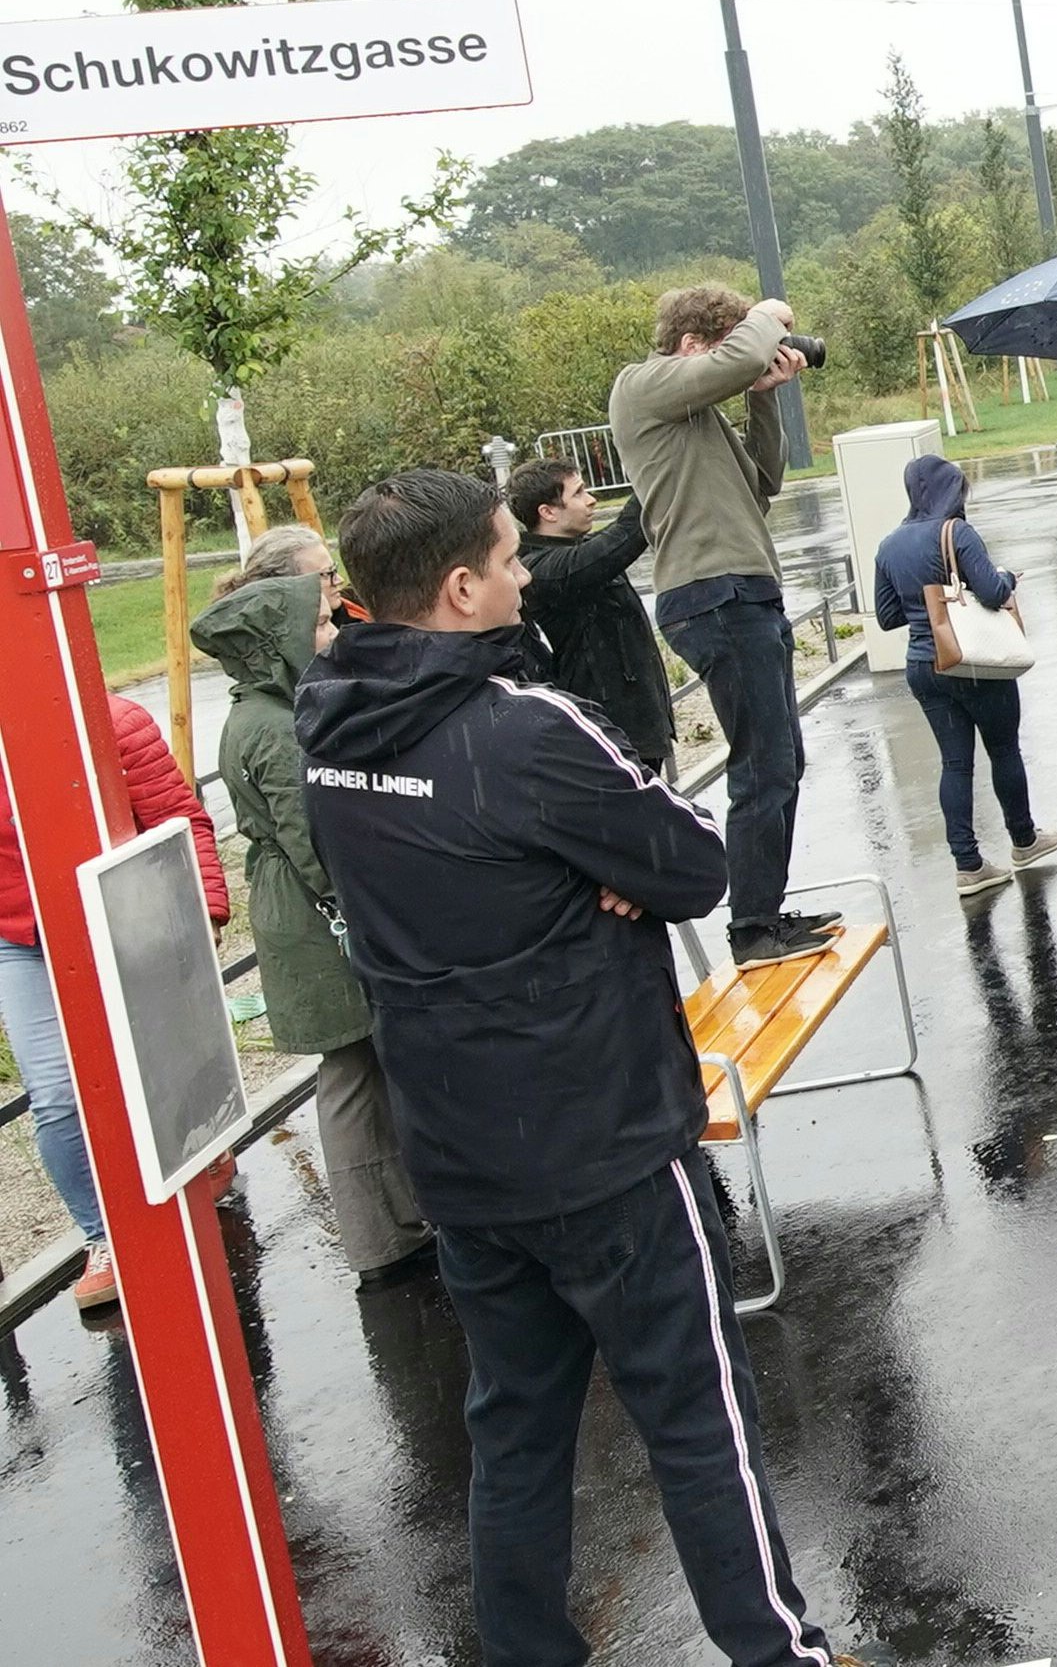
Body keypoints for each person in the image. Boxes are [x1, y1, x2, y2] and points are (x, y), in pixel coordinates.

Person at [294, 468, 834, 1667]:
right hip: (606, 1140)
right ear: (459, 587)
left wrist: (582, 874)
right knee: (700, 1421)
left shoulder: (325, 729)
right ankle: (775, 1652)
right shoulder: (527, 728)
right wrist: (608, 886)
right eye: (509, 555)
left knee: (518, 1433)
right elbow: (695, 864)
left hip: (461, 1150)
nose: (528, 573)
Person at [194, 553, 437, 1285]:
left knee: (365, 1066)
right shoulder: (271, 724)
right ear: (281, 642)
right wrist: (364, 908)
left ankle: (398, 1220)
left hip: (308, 909)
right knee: (352, 1073)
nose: (335, 631)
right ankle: (378, 1241)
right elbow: (311, 838)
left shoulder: (272, 707)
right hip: (313, 917)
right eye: (323, 623)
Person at [606, 285, 834, 969]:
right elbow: (724, 365)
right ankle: (753, 929)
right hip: (712, 594)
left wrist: (764, 393)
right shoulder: (642, 387)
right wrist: (764, 322)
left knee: (782, 759)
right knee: (763, 764)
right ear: (693, 346)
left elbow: (764, 480)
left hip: (745, 592)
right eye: (735, 343)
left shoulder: (696, 419)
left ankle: (764, 914)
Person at [0, 689, 227, 1317]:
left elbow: (179, 819)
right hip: (23, 937)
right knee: (54, 1093)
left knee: (159, 1056)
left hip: (124, 915)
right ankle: (103, 1237)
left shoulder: (115, 724)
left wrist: (203, 909)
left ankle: (198, 1145)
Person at [871, 453, 1057, 897]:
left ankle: (969, 865)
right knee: (1003, 750)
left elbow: (885, 616)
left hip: (924, 664)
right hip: (975, 664)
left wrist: (926, 610)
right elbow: (994, 594)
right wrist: (1008, 576)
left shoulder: (889, 545)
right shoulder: (956, 532)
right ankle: (1023, 840)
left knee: (955, 763)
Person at [509, 459, 676, 776]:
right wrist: (656, 465)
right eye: (579, 492)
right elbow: (619, 541)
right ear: (548, 512)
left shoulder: (577, 549)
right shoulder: (541, 570)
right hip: (607, 730)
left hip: (634, 724)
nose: (591, 499)